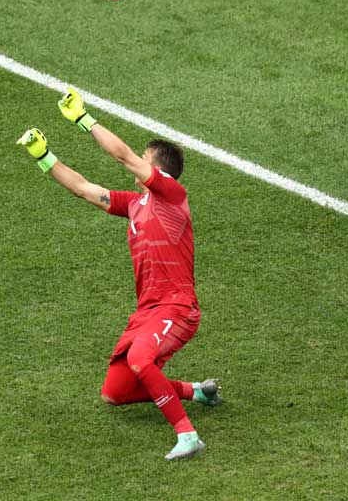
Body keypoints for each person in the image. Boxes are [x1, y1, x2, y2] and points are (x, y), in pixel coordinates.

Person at [16, 87, 221, 460]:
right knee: (116, 392)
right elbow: (83, 189)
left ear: (158, 169)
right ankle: (196, 391)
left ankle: (187, 435)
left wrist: (83, 118)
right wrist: (45, 157)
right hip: (147, 311)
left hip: (177, 307)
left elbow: (122, 155)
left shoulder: (172, 194)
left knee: (141, 359)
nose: (137, 161)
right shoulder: (136, 203)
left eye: (145, 158)